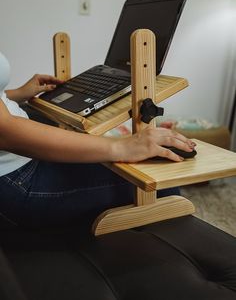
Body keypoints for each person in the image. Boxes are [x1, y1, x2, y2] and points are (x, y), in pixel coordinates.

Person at [0, 52, 196, 229]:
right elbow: (4, 132)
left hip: (19, 164)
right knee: (163, 187)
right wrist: (122, 146)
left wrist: (14, 94)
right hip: (16, 181)